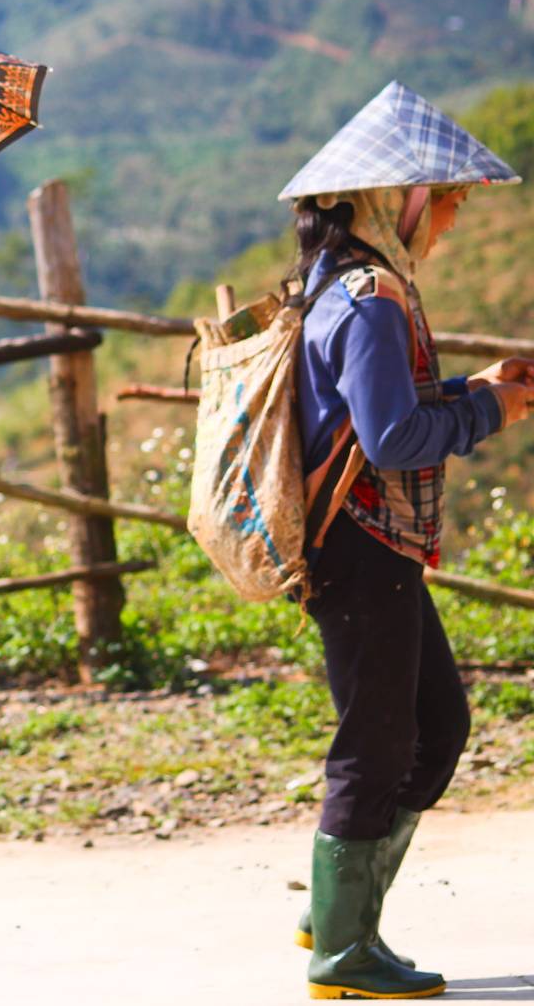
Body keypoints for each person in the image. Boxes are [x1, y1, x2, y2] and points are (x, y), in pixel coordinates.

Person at [279, 81, 527, 1000]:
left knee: (437, 724)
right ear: (405, 197)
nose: (455, 221)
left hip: (367, 544)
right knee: (377, 743)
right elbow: (391, 441)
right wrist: (489, 410)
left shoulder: (345, 283)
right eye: (451, 201)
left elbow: (379, 411)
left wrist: (471, 388)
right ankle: (342, 952)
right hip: (363, 544)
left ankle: (341, 911)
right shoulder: (374, 295)